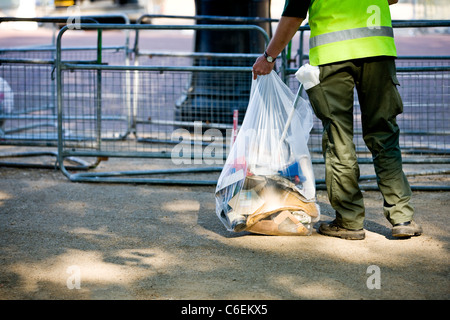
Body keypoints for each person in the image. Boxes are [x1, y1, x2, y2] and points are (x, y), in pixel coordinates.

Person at [252, 0, 422, 240]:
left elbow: (294, 13)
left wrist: (269, 57)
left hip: (332, 56)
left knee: (338, 138)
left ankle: (350, 221)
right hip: (377, 50)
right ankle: (402, 217)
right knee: (384, 133)